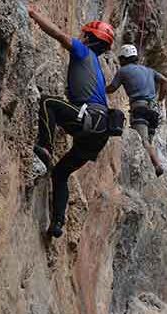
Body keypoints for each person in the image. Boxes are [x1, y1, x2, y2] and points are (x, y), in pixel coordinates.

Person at [28, 5, 115, 238]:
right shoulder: (96, 65)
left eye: (83, 34)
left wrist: (34, 15)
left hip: (89, 120)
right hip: (98, 133)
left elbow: (58, 35)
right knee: (60, 174)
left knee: (47, 103)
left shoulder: (84, 53)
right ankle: (57, 223)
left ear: (88, 38)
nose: (80, 37)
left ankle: (45, 148)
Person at [107, 44, 167, 177]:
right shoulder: (149, 71)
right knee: (149, 142)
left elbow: (112, 88)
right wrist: (160, 98)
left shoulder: (123, 71)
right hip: (153, 110)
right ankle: (152, 166)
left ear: (123, 58)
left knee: (144, 141)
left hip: (139, 108)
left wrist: (99, 89)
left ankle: (157, 166)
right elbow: (165, 81)